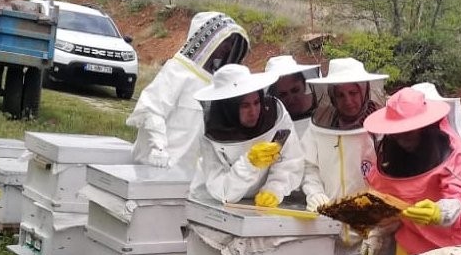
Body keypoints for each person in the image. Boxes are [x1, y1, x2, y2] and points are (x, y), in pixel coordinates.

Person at [301, 58, 389, 255]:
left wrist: (379, 227)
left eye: (353, 92)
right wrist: (314, 192)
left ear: (364, 90)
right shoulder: (319, 128)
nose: (348, 100)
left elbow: (389, 181)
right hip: (328, 230)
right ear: (331, 96)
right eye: (340, 94)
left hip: (368, 233)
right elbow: (309, 167)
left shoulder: (381, 130)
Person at [363, 88, 461, 255]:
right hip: (412, 243)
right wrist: (377, 233)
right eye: (397, 133)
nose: (403, 138)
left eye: (409, 131)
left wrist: (440, 212)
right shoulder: (390, 154)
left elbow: (459, 195)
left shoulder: (455, 150)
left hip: (456, 246)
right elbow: (387, 202)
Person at [127, 12, 251, 172]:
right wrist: (158, 147)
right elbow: (151, 108)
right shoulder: (177, 70)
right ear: (206, 39)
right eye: (225, 41)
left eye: (231, 42)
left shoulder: (219, 83)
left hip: (191, 176)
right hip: (156, 169)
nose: (227, 47)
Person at [188, 64, 304, 206]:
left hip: (257, 203)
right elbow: (222, 191)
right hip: (213, 204)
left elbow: (290, 159)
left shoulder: (275, 114)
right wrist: (249, 164)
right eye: (245, 106)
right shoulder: (210, 130)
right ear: (228, 107)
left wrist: (274, 190)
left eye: (256, 102)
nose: (253, 111)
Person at [262, 55, 321, 138]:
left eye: (295, 90)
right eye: (283, 94)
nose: (291, 98)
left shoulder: (323, 121)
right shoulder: (272, 132)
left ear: (304, 86)